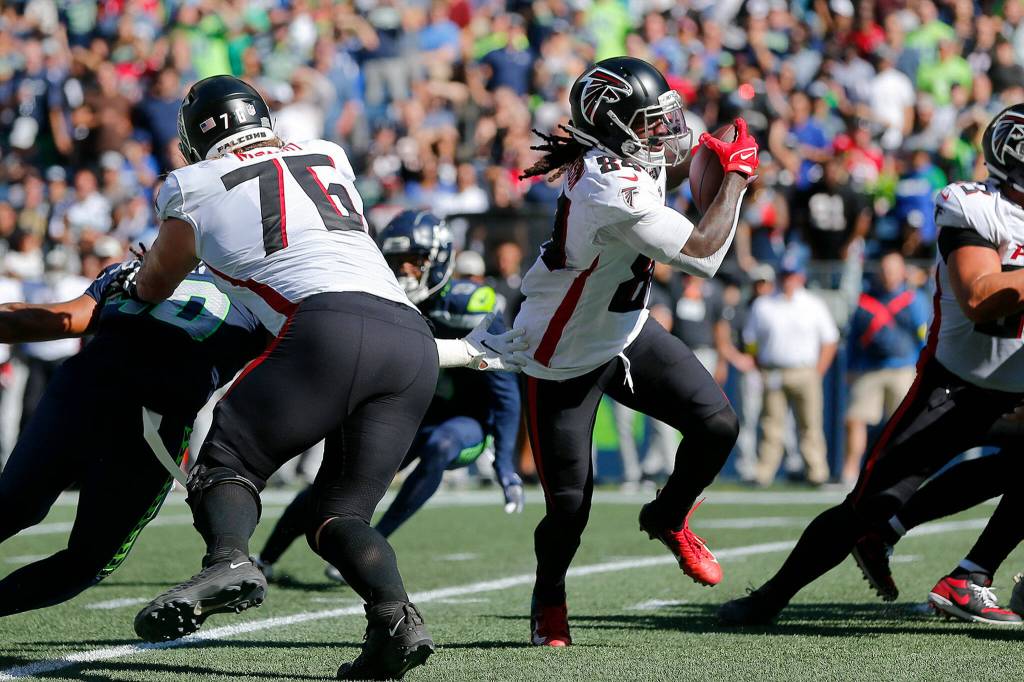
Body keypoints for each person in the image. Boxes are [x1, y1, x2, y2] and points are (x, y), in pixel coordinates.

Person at [123, 76, 525, 679]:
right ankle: (396, 619)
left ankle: (229, 559)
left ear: (197, 136)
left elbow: (154, 283)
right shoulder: (327, 154)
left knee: (224, 453)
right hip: (409, 338)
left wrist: (133, 278)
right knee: (340, 514)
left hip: (326, 326)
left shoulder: (190, 184)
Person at [719, 104, 1024, 626]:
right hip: (953, 388)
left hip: (1016, 390)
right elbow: (979, 295)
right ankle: (770, 597)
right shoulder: (975, 205)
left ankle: (971, 576)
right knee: (866, 504)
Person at [515, 57, 758, 646]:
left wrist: (708, 153)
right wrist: (736, 178)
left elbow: (670, 172)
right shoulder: (607, 181)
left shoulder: (620, 160)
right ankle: (549, 597)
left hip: (623, 331)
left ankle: (668, 515)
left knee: (718, 425)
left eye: (663, 119)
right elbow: (702, 254)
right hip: (564, 352)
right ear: (614, 128)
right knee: (570, 508)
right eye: (650, 124)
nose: (663, 133)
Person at [253, 210, 523, 580]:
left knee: (441, 444)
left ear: (438, 258)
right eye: (395, 261)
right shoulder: (383, 301)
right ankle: (264, 560)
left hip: (465, 424)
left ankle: (370, 544)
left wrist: (505, 463)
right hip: (407, 417)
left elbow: (504, 390)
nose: (404, 271)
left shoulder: (469, 303)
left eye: (413, 261)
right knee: (334, 480)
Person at [0, 263, 267, 616]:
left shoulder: (135, 267)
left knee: (12, 506)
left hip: (81, 392)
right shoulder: (267, 289)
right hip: (151, 421)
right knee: (89, 559)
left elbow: (47, 319)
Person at [742, 251, 838, 486]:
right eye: (785, 275)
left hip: (805, 371)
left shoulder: (813, 304)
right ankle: (764, 472)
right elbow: (750, 340)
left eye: (792, 275)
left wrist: (818, 370)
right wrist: (758, 366)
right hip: (773, 370)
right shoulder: (764, 304)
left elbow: (830, 339)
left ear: (801, 277)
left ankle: (816, 472)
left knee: (810, 425)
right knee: (771, 424)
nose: (788, 280)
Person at [842, 252, 927, 485]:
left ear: (902, 272)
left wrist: (924, 369)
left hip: (903, 368)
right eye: (885, 269)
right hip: (869, 368)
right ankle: (849, 472)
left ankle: (904, 472)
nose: (888, 275)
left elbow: (923, 335)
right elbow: (853, 338)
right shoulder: (866, 298)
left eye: (893, 270)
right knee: (855, 419)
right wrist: (850, 367)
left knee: (905, 425)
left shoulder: (914, 300)